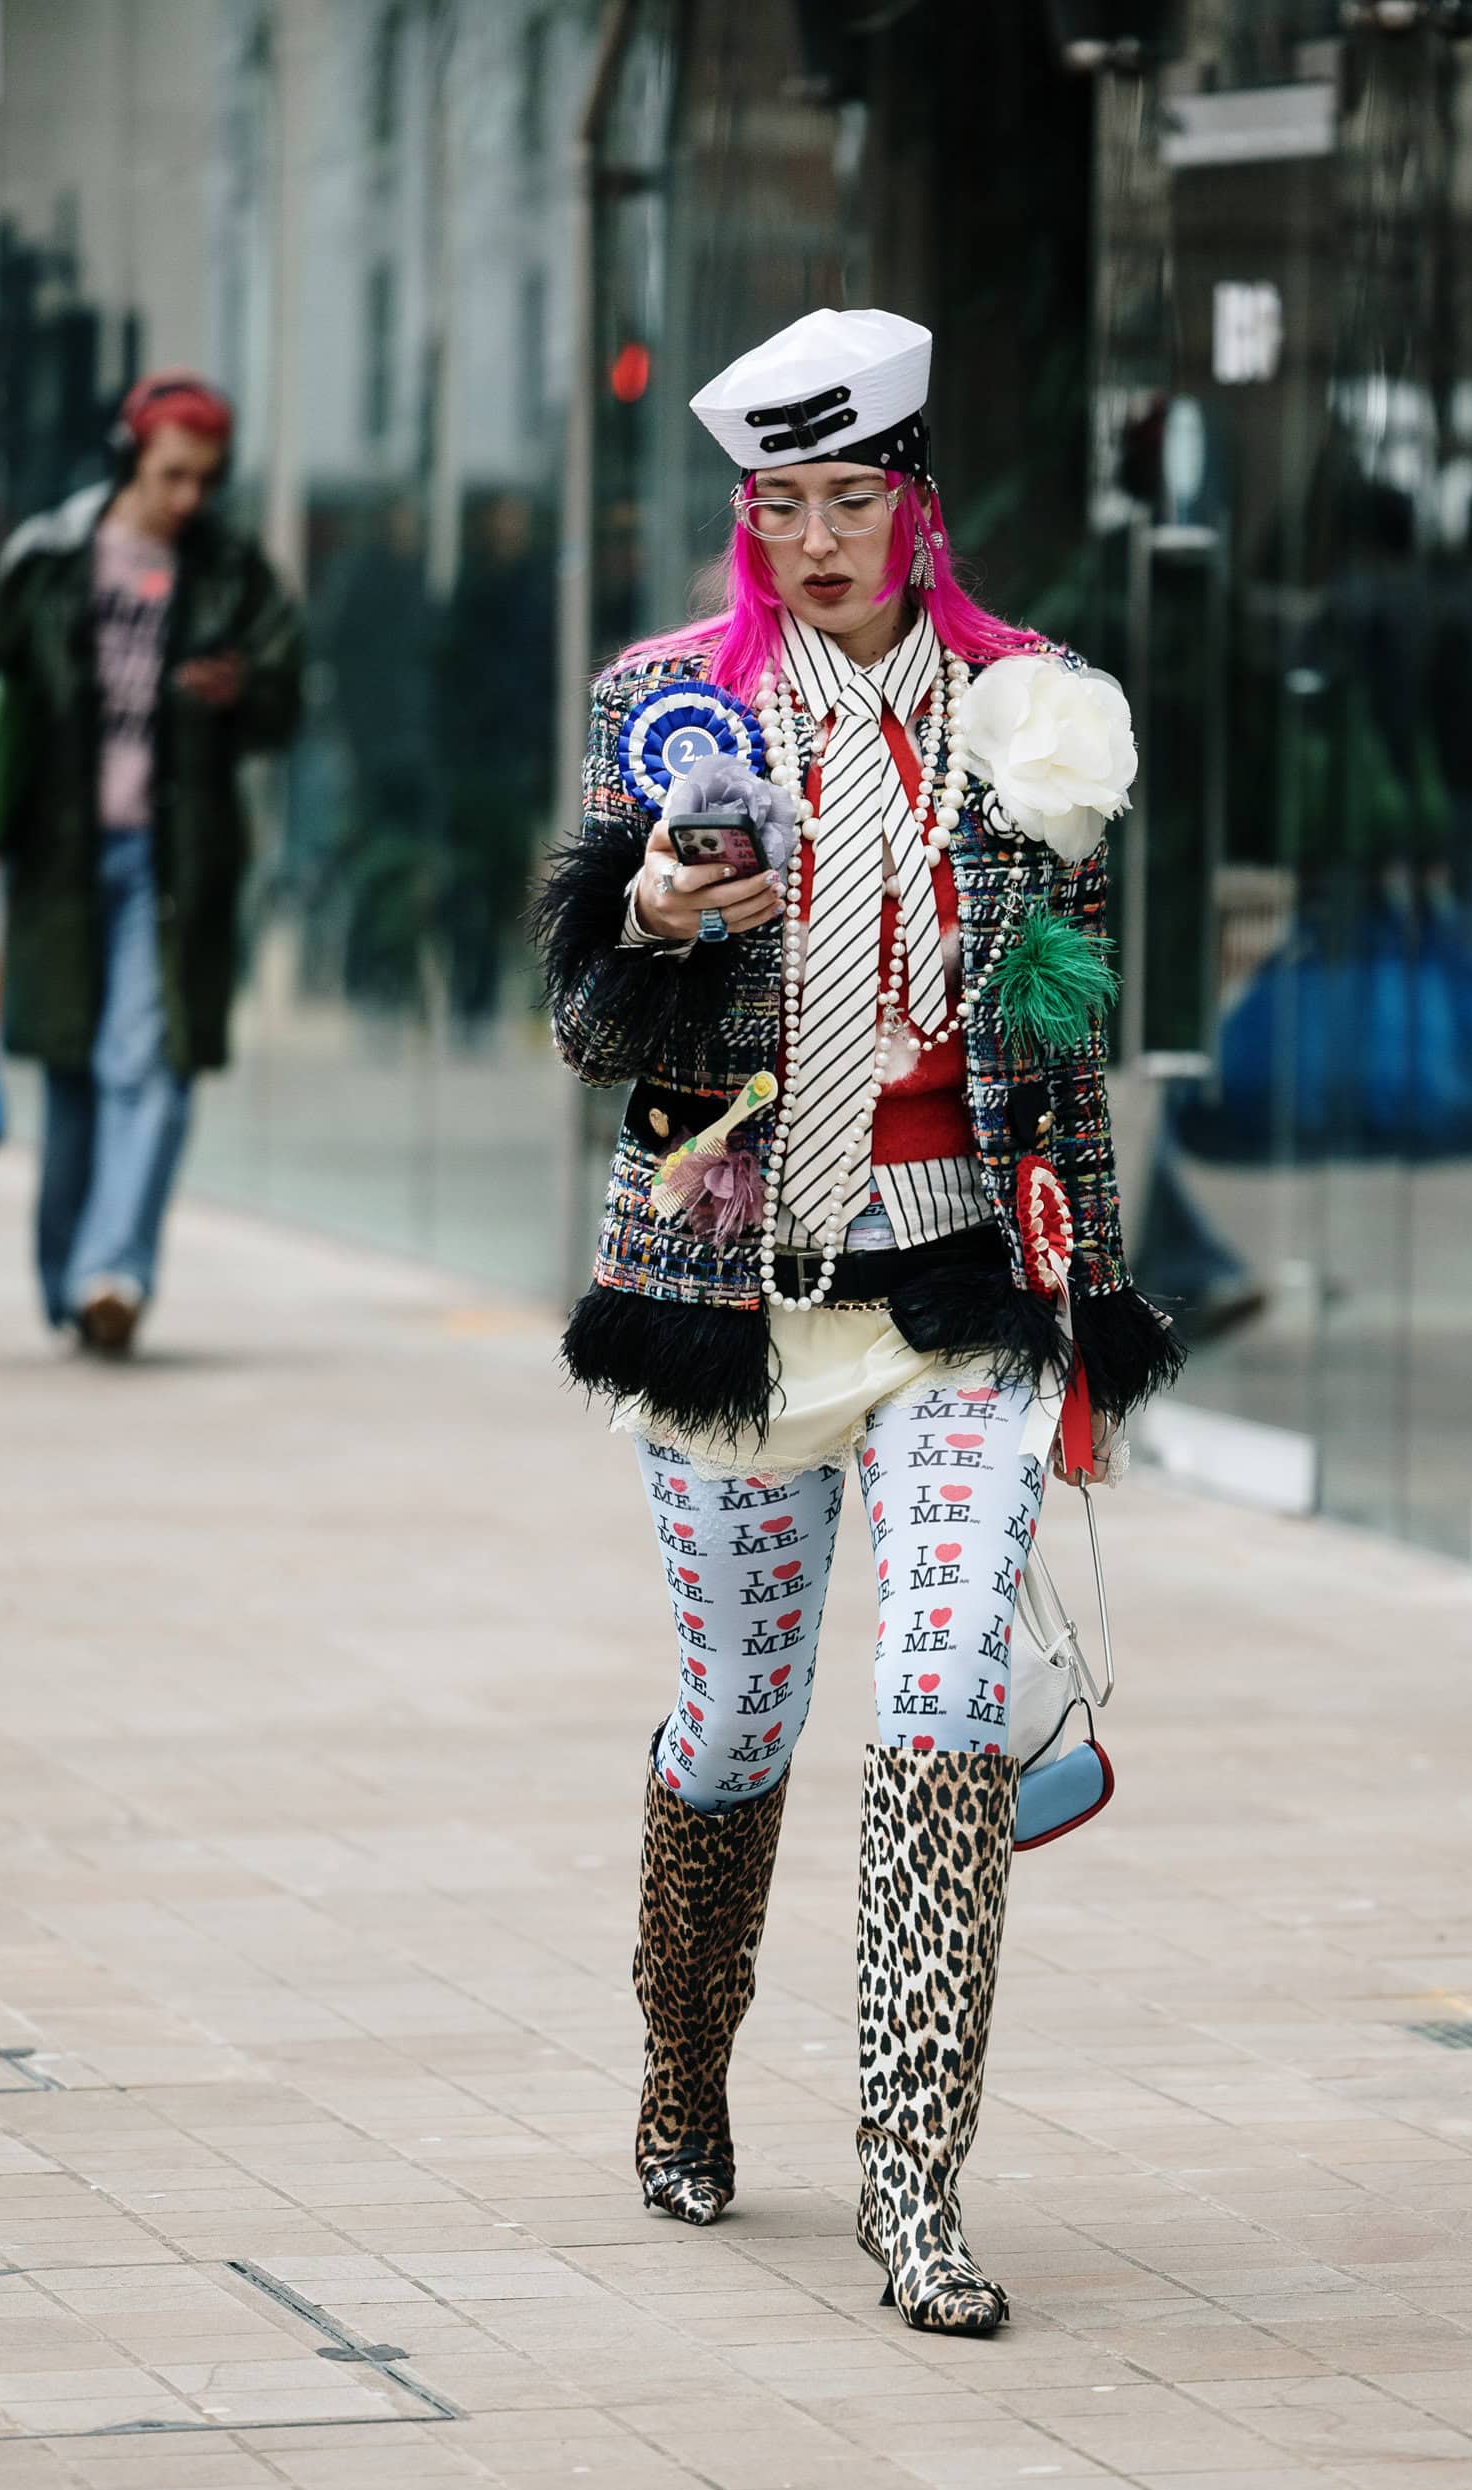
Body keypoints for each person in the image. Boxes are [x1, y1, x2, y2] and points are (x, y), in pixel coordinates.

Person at [533, 310, 1180, 2337]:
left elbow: (1068, 1036)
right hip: (727, 1297)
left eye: (848, 500)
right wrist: (648, 925)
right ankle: (683, 2059)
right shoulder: (664, 705)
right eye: (777, 506)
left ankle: (915, 2179)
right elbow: (581, 1036)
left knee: (931, 1710)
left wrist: (1075, 1299)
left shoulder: (1029, 714)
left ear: (914, 508)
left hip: (954, 1289)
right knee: (735, 1716)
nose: (813, 540)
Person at [0, 370, 304, 1353]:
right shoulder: (46, 558)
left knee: (154, 1061)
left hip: (177, 858)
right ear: (132, 458)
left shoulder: (230, 569)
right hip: (58, 856)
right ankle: (71, 1284)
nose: (189, 499)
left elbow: (284, 695)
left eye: (206, 479)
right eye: (173, 474)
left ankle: (114, 1270)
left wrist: (239, 689)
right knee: (77, 1071)